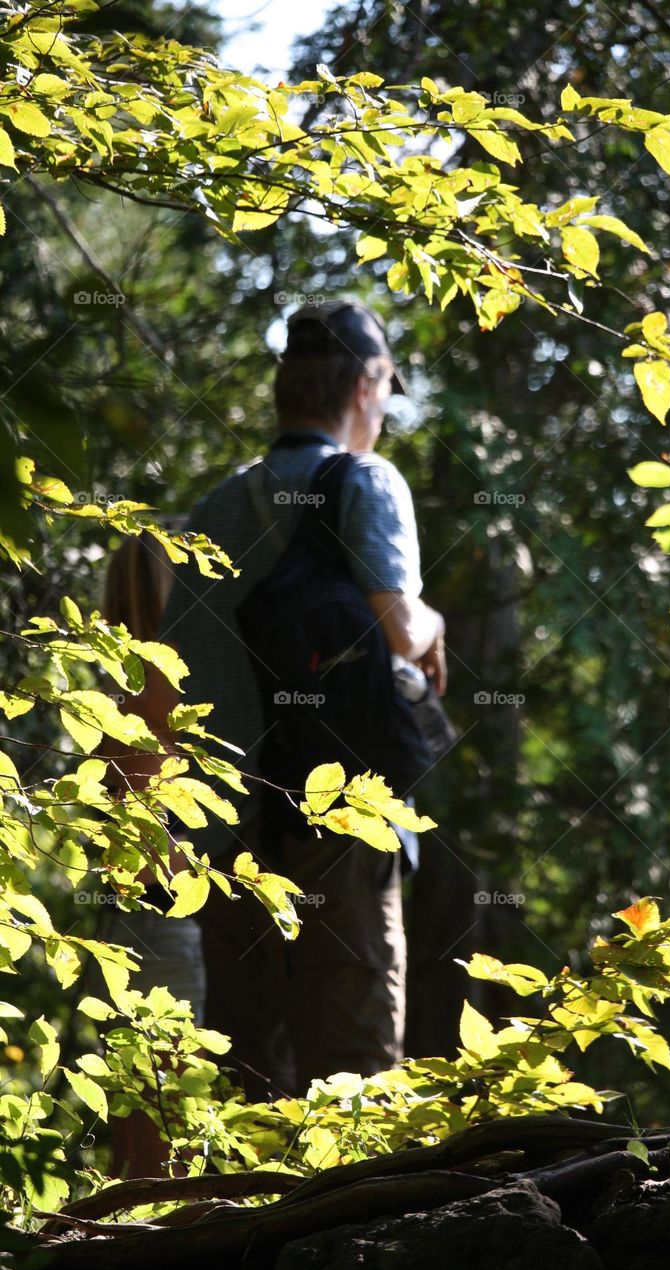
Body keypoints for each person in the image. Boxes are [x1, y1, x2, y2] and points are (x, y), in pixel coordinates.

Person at [155, 298, 446, 1101]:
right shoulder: (365, 481)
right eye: (386, 387)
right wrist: (433, 624)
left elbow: (166, 675)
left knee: (249, 1067)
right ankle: (356, 1224)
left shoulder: (217, 506)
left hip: (227, 833)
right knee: (352, 1062)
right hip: (340, 817)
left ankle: (250, 1229)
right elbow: (396, 622)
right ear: (365, 387)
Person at [89, 528, 207, 1177]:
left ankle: (125, 1228)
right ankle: (174, 1234)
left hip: (117, 904)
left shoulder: (104, 684)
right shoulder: (176, 672)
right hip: (166, 897)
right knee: (173, 1088)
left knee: (129, 1091)